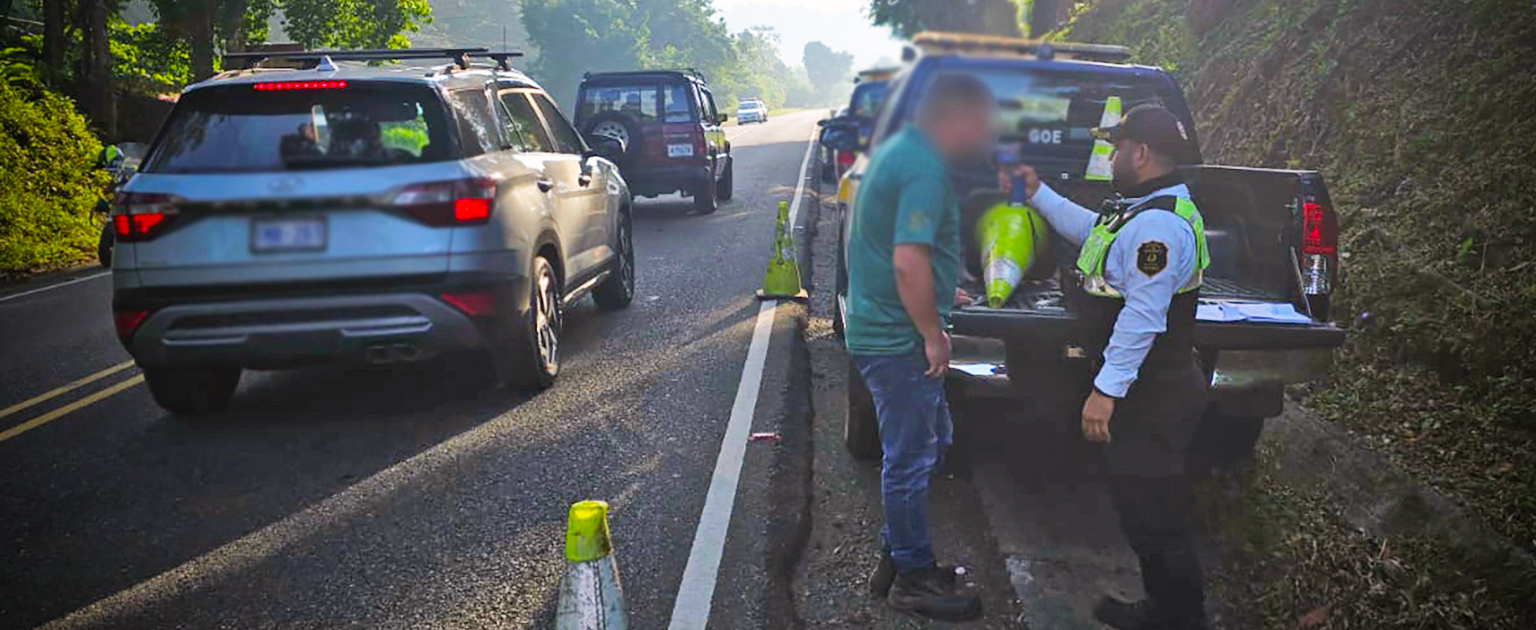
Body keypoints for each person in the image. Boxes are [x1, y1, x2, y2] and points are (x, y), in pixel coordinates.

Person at [1006, 103, 1211, 630]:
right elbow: (1092, 229)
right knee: (1139, 506)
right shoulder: (1140, 211)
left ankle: (1182, 619)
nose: (1112, 155)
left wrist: (1105, 391)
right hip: (1147, 391)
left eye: (1118, 147)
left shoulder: (1158, 228)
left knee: (1157, 514)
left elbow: (1142, 317)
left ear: (1140, 152)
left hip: (1156, 393)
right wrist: (1039, 193)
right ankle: (1163, 609)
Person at [843, 73, 996, 621]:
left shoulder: (899, 150)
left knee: (929, 444)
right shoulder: (924, 168)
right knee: (909, 459)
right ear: (954, 119)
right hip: (897, 338)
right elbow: (907, 260)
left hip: (882, 324)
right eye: (981, 123)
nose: (986, 134)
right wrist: (934, 332)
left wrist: (940, 283)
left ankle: (897, 549)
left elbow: (899, 250)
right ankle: (912, 576)